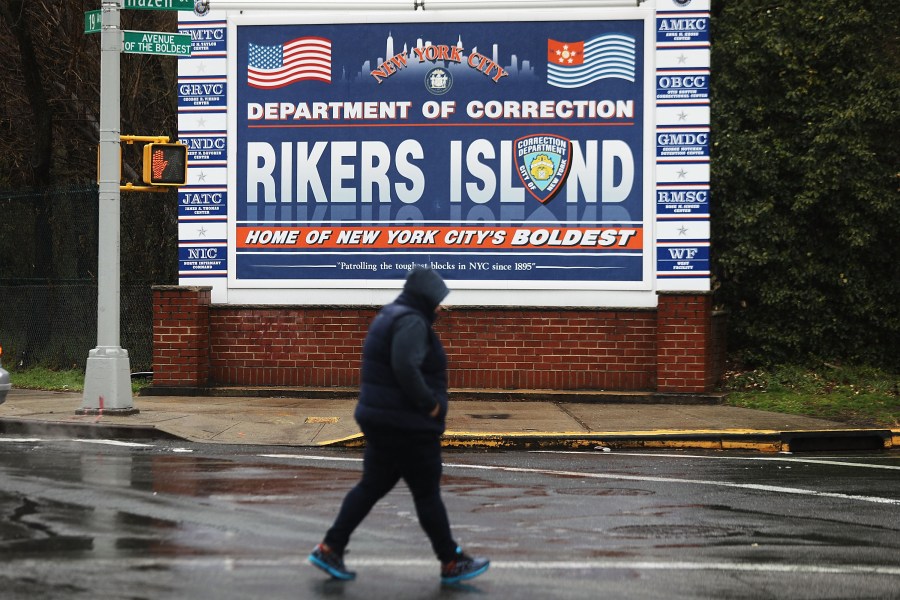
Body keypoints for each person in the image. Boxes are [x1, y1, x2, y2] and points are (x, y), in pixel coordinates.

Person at [308, 267, 490, 585]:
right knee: (427, 493)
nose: (441, 308)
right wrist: (430, 404)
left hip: (384, 420)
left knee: (371, 486)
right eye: (438, 301)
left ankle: (330, 547)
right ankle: (451, 561)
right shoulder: (411, 321)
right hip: (407, 424)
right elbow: (405, 366)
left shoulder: (392, 314)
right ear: (425, 297)